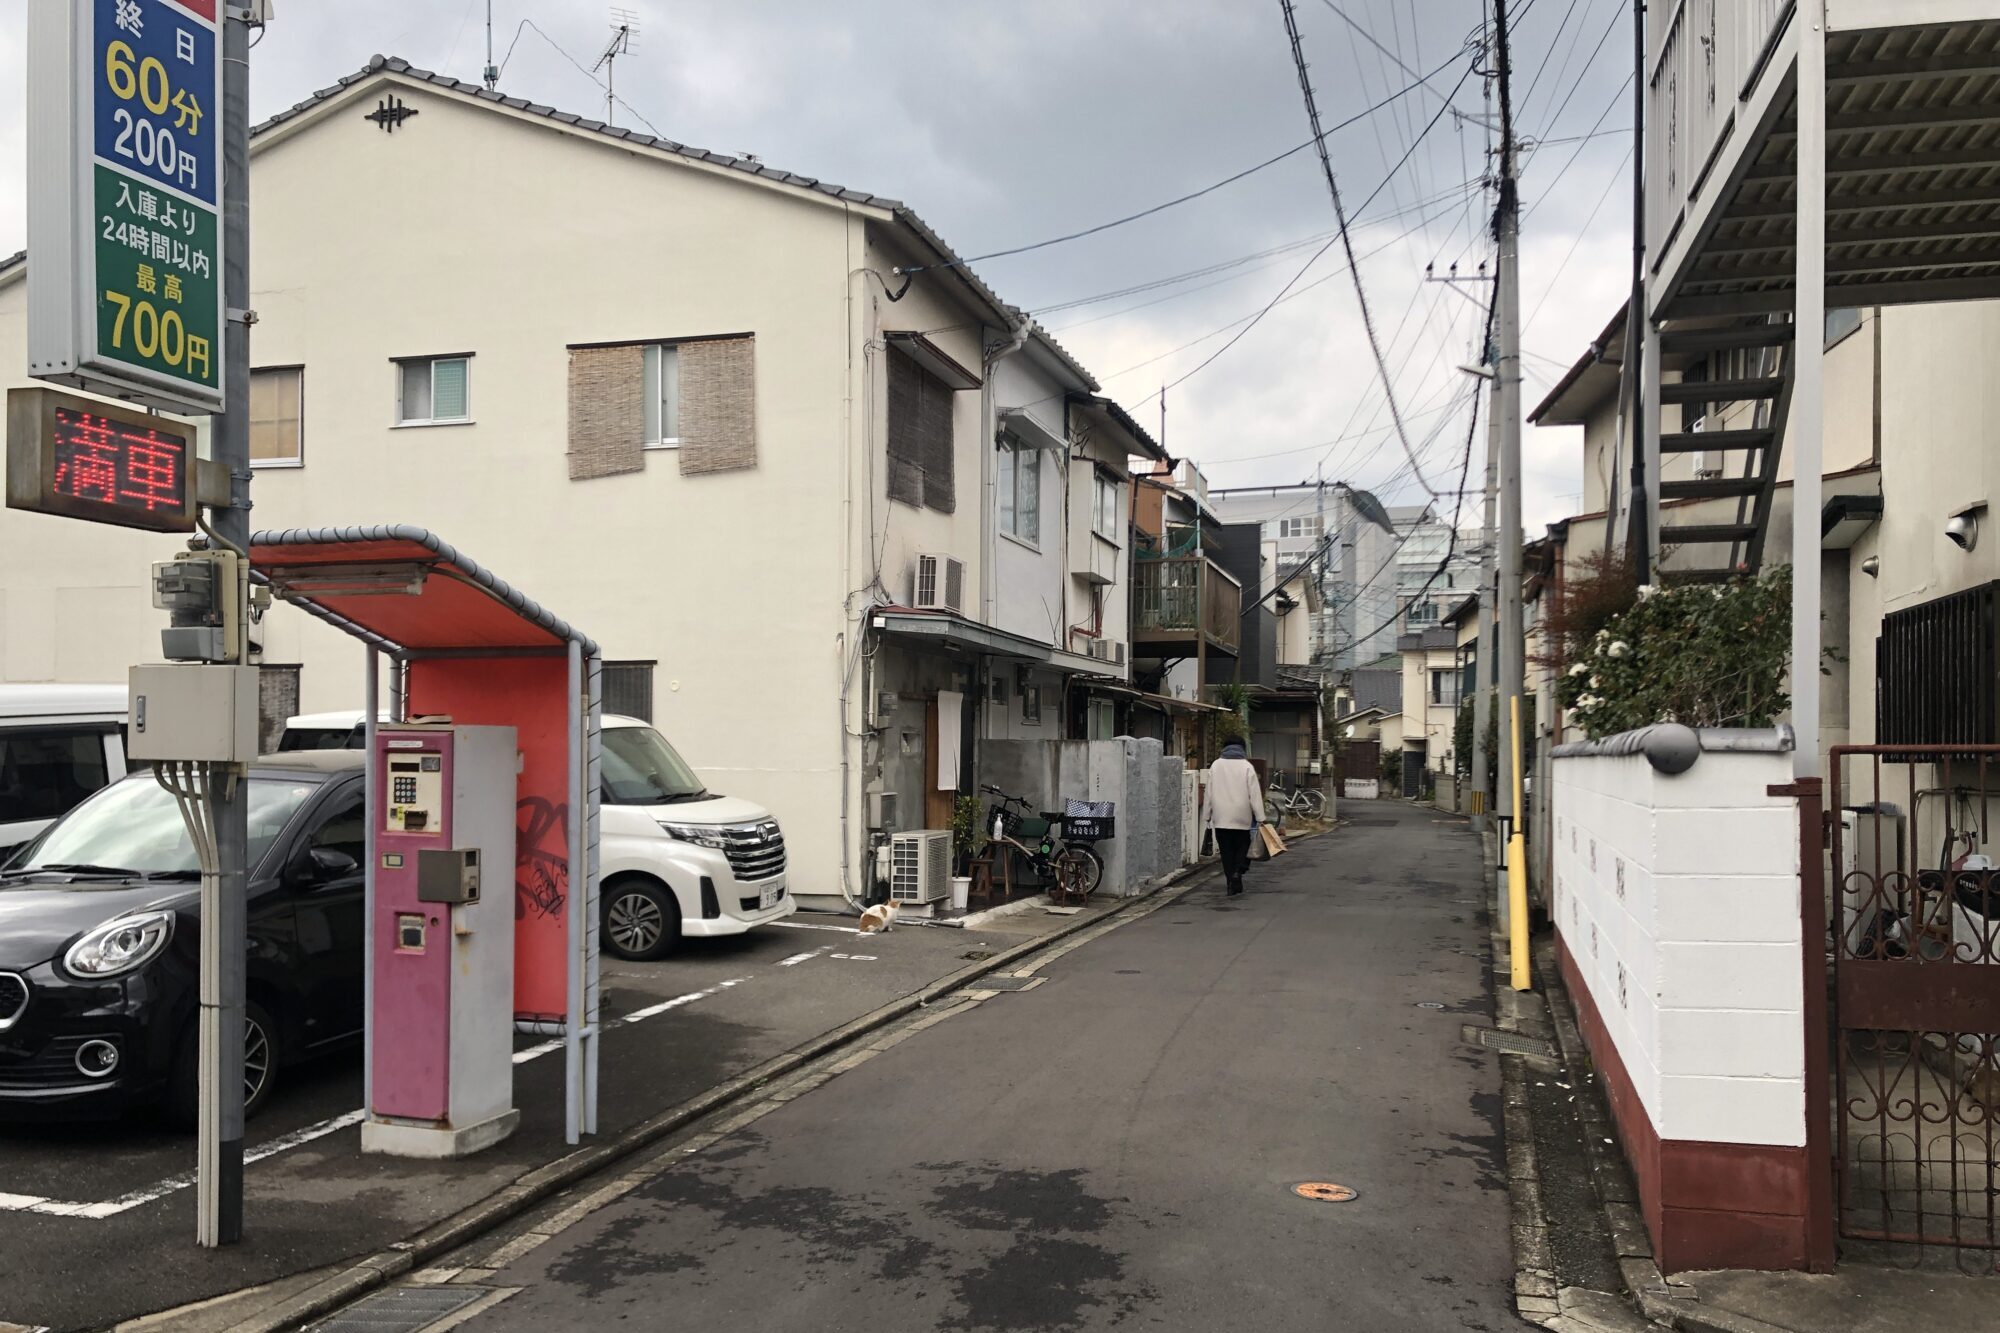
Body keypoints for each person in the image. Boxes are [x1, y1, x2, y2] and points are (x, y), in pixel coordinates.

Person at [1203, 737, 1265, 896]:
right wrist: (1260, 816)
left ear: (1224, 748)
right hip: (1241, 815)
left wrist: (1207, 815)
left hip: (1221, 815)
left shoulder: (1216, 765)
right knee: (1243, 845)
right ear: (1242, 748)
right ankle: (1239, 871)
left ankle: (1231, 882)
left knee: (1226, 852)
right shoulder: (1247, 766)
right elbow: (1254, 794)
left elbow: (1209, 793)